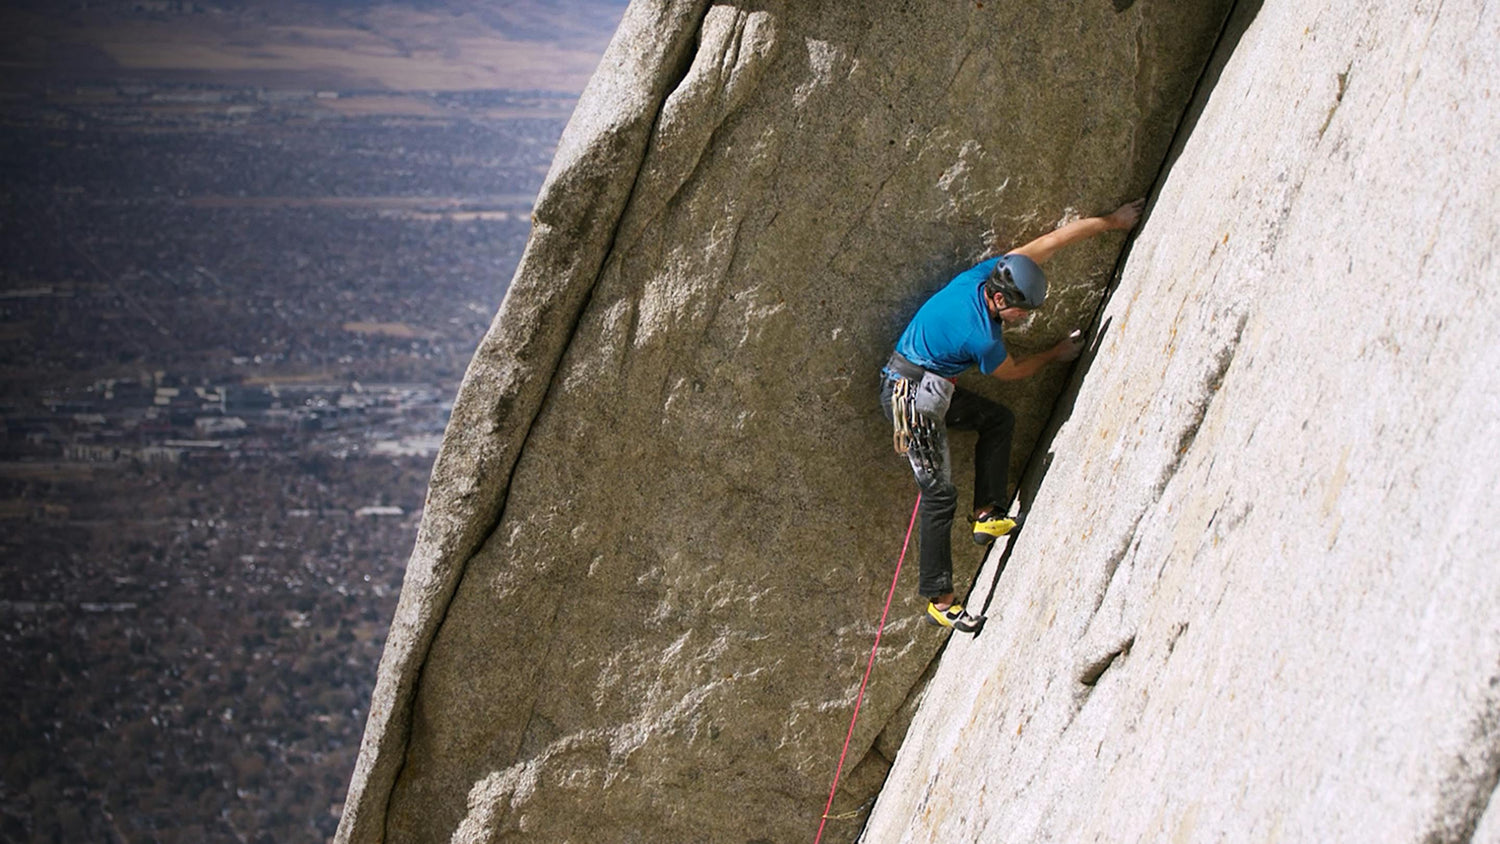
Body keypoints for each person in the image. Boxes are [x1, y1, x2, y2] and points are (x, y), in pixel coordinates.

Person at [880, 199, 1145, 633]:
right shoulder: (982, 337)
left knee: (997, 420)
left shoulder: (988, 273)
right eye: (1022, 310)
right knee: (938, 494)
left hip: (928, 385)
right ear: (1000, 299)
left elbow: (1054, 240)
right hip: (907, 395)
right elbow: (1015, 371)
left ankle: (987, 513)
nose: (1025, 317)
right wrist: (1055, 354)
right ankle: (940, 601)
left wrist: (1112, 223)